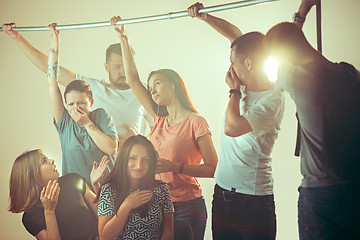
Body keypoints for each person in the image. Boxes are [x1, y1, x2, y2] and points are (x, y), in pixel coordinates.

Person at [110, 16, 218, 240]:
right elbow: (132, 78)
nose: (152, 91)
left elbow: (213, 168)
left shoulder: (195, 122)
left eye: (156, 83)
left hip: (188, 206)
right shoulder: (158, 118)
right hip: (158, 202)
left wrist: (175, 166)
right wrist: (122, 37)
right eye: (150, 88)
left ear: (174, 83)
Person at [263, 0, 360, 239]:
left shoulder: (294, 77)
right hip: (354, 187)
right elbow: (296, 43)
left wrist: (301, 15)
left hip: (320, 195)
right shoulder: (350, 73)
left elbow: (285, 54)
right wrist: (303, 12)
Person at [188, 3, 285, 239]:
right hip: (222, 195)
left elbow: (232, 128)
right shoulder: (246, 67)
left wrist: (234, 92)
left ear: (249, 63)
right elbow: (235, 35)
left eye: (234, 62)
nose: (230, 67)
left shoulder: (273, 100)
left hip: (253, 201)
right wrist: (204, 17)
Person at [1, 23, 153, 144]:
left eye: (126, 66)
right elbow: (49, 69)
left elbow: (161, 134)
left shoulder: (146, 93)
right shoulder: (92, 88)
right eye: (117, 67)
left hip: (134, 171)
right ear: (106, 67)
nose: (123, 72)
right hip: (101, 171)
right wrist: (17, 37)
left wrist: (139, 142)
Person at [45, 23, 118, 187]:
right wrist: (54, 44)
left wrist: (87, 123)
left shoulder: (101, 116)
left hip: (107, 194)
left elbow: (111, 149)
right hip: (77, 197)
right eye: (70, 104)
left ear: (91, 102)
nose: (76, 109)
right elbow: (51, 82)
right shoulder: (65, 122)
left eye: (82, 103)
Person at [8, 149, 108, 239]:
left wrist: (95, 185)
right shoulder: (30, 218)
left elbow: (105, 219)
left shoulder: (73, 180)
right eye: (44, 161)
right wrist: (49, 211)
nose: (51, 161)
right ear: (31, 176)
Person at [97, 135, 174, 240]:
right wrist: (126, 207)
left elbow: (168, 232)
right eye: (133, 158)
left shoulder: (161, 189)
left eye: (145, 160)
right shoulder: (109, 190)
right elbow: (105, 237)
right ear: (124, 159)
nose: (139, 165)